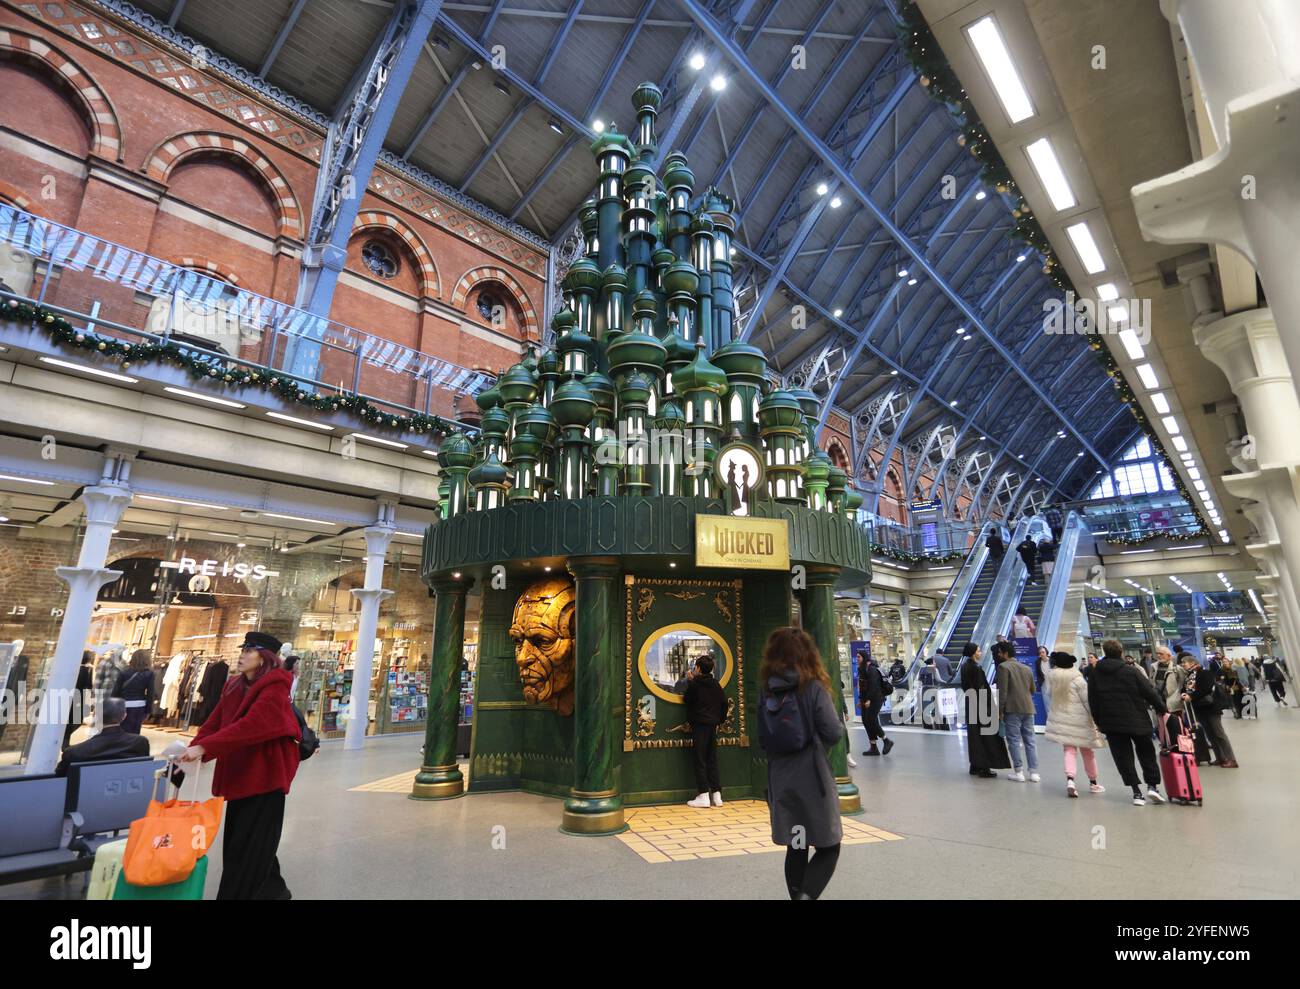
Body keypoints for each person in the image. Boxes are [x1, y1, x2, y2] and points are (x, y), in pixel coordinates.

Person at [178, 631, 301, 900]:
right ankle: (274, 891)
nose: (242, 654)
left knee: (248, 846)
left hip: (265, 776)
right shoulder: (234, 685)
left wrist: (207, 747)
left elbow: (254, 725)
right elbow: (217, 720)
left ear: (265, 657)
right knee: (246, 842)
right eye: (243, 648)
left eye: (250, 650)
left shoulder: (276, 685)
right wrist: (192, 749)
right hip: (241, 776)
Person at [760, 626, 843, 900]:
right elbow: (832, 731)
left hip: (781, 778)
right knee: (829, 846)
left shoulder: (767, 690)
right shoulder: (813, 687)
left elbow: (761, 736)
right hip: (812, 778)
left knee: (797, 845)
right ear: (808, 654)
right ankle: (805, 897)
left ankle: (797, 895)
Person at [1087, 639, 1168, 806]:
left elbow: (1093, 700)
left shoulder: (1096, 674)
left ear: (1104, 652)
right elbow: (1149, 692)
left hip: (1112, 723)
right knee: (1146, 753)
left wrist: (1099, 721)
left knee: (1123, 758)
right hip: (1137, 718)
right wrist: (1162, 708)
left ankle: (1136, 792)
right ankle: (1152, 786)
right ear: (1121, 652)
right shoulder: (1130, 671)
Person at [1044, 652, 1105, 797]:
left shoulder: (1052, 678)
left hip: (1063, 720)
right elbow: (1087, 701)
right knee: (1088, 752)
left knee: (1069, 751)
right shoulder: (1078, 680)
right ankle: (1093, 783)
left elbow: (1049, 694)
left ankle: (1070, 780)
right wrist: (1096, 719)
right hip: (1081, 721)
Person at [55, 698, 149, 776]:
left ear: (95, 715)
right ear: (124, 716)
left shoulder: (74, 752)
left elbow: (58, 779)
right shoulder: (140, 743)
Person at [959, 642, 1010, 778]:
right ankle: (984, 767)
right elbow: (982, 689)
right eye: (979, 650)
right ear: (973, 653)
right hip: (981, 705)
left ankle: (975, 765)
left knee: (975, 735)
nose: (980, 653)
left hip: (971, 704)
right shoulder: (976, 668)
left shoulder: (964, 667)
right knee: (986, 737)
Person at [684, 654, 728, 808]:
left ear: (697, 668)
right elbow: (724, 704)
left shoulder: (695, 684)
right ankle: (717, 795)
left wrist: (690, 681)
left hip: (699, 725)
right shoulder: (716, 684)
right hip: (712, 725)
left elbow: (687, 699)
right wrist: (719, 720)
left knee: (700, 758)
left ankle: (703, 795)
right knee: (712, 758)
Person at [1180, 653, 1238, 767]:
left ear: (1192, 663)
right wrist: (1183, 694)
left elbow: (1205, 689)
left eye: (1184, 663)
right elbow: (1185, 688)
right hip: (1199, 708)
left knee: (1219, 734)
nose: (1183, 665)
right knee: (1210, 734)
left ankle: (1231, 759)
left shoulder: (1204, 673)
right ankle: (1220, 758)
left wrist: (1191, 697)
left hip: (1211, 707)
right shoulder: (1189, 676)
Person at [993, 642, 1039, 782]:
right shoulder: (1026, 668)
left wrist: (999, 711)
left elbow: (1003, 692)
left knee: (1013, 740)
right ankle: (1034, 772)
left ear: (1006, 653)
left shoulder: (1003, 667)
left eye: (1000, 653)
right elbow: (1033, 690)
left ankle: (1018, 772)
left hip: (1012, 709)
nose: (999, 655)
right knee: (1030, 740)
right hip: (1028, 708)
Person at [857, 654, 893, 756]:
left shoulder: (871, 669)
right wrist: (861, 699)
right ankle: (873, 747)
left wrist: (869, 699)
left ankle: (886, 741)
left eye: (859, 656)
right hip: (866, 699)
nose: (857, 658)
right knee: (866, 721)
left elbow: (874, 686)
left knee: (871, 719)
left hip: (876, 698)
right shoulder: (862, 669)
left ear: (864, 658)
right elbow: (862, 686)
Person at [112, 648, 155, 735]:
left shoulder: (124, 672)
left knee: (121, 730)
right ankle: (131, 747)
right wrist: (148, 711)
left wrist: (113, 706)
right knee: (134, 732)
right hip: (139, 705)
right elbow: (150, 694)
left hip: (123, 704)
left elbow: (116, 691)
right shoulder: (150, 674)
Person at [1151, 646, 1187, 741]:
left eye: (1161, 654)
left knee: (1176, 728)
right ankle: (1166, 746)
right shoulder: (1154, 667)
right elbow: (1152, 682)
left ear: (1169, 655)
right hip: (1159, 703)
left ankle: (1181, 747)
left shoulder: (1177, 669)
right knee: (1160, 729)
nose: (1159, 656)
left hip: (1173, 703)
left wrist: (1179, 697)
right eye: (1157, 653)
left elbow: (1183, 684)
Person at [64, 650, 95, 748]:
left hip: (70, 695)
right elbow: (88, 686)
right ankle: (65, 740)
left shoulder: (74, 668)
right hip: (79, 697)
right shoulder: (87, 669)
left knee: (71, 720)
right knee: (75, 720)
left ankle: (64, 740)